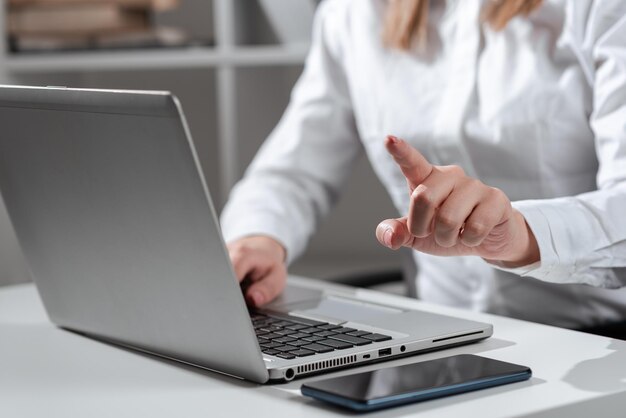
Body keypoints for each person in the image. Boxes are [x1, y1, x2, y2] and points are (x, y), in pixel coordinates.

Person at [220, 0, 626, 332]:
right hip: (437, 341)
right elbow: (292, 171)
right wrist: (258, 238)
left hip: (595, 341)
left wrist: (521, 233)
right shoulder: (353, 15)